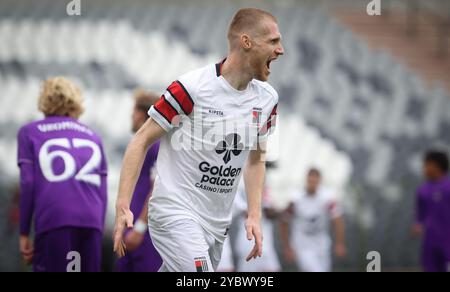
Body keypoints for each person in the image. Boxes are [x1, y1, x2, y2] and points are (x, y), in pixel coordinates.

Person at [113, 7, 284, 272]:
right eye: (273, 41)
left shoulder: (268, 99)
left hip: (216, 224)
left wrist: (254, 213)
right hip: (174, 212)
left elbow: (256, 158)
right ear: (247, 42)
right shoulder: (191, 88)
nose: (280, 49)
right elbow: (141, 140)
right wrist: (123, 203)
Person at [17, 77, 108, 272]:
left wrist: (24, 231)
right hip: (90, 221)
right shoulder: (93, 136)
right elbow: (102, 191)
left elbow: (27, 182)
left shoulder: (29, 132)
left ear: (44, 101)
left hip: (55, 218)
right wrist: (97, 229)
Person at [115, 90, 162, 272]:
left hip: (145, 233)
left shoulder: (156, 146)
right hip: (131, 227)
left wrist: (140, 228)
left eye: (133, 112)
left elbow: (157, 187)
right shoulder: (142, 145)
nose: (131, 117)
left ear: (142, 114)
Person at [280, 168, 346, 272]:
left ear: (320, 181)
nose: (312, 184)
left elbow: (338, 221)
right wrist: (287, 247)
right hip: (302, 245)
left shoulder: (327, 198)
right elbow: (284, 222)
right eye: (310, 181)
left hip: (322, 245)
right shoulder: (296, 199)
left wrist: (339, 243)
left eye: (315, 181)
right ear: (306, 180)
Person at [412, 150, 450, 272]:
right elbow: (420, 214)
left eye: (426, 165)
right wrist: (417, 224)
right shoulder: (422, 190)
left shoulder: (448, 187)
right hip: (430, 240)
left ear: (436, 166)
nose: (424, 169)